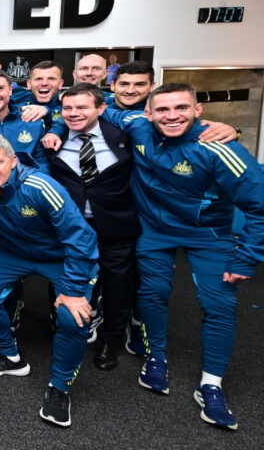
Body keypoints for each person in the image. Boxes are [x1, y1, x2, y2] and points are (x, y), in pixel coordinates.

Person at [93, 83, 262, 431]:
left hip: (208, 234)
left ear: (198, 110)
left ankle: (211, 385)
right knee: (152, 293)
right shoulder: (137, 125)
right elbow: (97, 106)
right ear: (149, 113)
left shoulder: (219, 147)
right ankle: (156, 358)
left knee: (218, 304)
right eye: (163, 109)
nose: (172, 116)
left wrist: (246, 257)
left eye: (181, 108)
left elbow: (259, 207)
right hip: (154, 230)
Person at [0, 133, 99, 428]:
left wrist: (74, 290)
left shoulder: (41, 186)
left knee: (72, 317)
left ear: (13, 161)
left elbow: (80, 238)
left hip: (61, 257)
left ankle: (60, 387)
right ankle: (11, 357)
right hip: (15, 253)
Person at [47, 84, 139, 371]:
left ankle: (110, 341)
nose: (74, 113)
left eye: (82, 107)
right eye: (68, 108)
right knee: (65, 281)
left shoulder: (124, 138)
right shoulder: (51, 140)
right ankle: (65, 330)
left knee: (117, 286)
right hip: (71, 229)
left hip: (114, 226)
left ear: (101, 108)